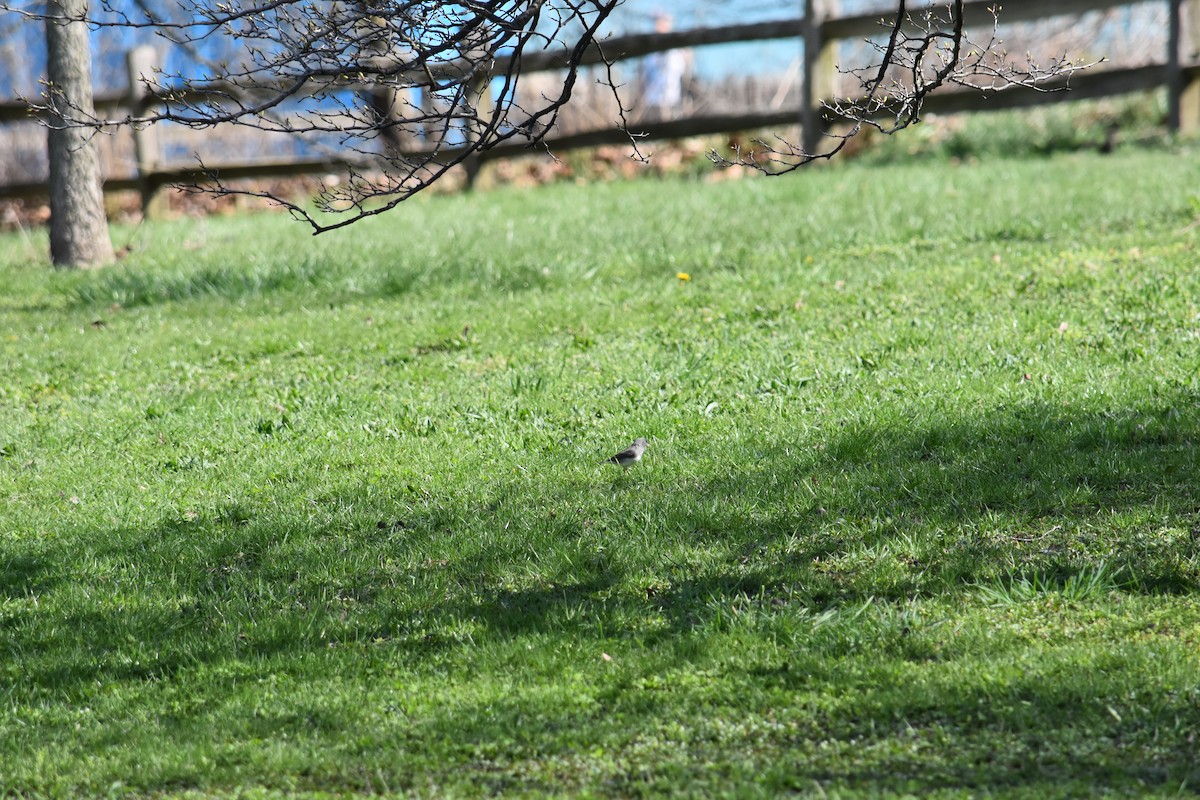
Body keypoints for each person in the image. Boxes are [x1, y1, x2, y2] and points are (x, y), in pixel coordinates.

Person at [641, 12, 691, 119]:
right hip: (652, 101)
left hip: (672, 100)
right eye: (658, 23)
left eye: (663, 23)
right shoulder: (649, 53)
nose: (660, 26)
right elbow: (645, 77)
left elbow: (683, 73)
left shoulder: (676, 52)